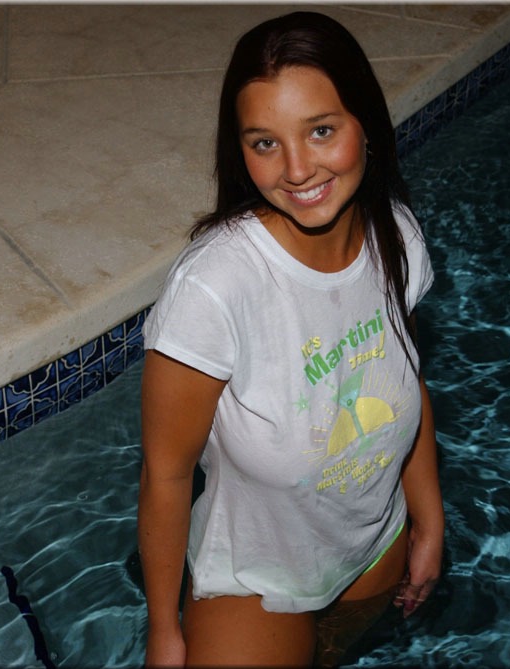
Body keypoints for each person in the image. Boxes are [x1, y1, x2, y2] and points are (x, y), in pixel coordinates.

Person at [137, 11, 444, 667]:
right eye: (265, 143)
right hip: (255, 574)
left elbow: (406, 377)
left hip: (375, 546)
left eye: (321, 130)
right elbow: (165, 472)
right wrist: (165, 631)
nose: (298, 169)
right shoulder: (213, 289)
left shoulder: (397, 236)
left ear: (366, 125)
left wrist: (429, 519)